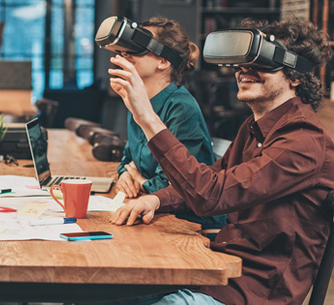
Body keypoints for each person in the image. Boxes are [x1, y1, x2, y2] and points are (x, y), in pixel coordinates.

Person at [108, 17, 334, 304]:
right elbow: (214, 177)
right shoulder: (255, 127)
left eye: (263, 62)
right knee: (104, 291)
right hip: (217, 268)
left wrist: (148, 118)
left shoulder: (303, 141)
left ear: (296, 76)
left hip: (251, 292)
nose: (244, 71)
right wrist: (155, 200)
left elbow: (209, 195)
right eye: (241, 63)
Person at [112, 17, 226, 239]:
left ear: (163, 61)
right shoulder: (137, 100)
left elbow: (174, 184)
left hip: (189, 223)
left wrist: (142, 180)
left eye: (137, 48)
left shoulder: (181, 107)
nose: (126, 54)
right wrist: (124, 175)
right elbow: (129, 159)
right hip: (152, 210)